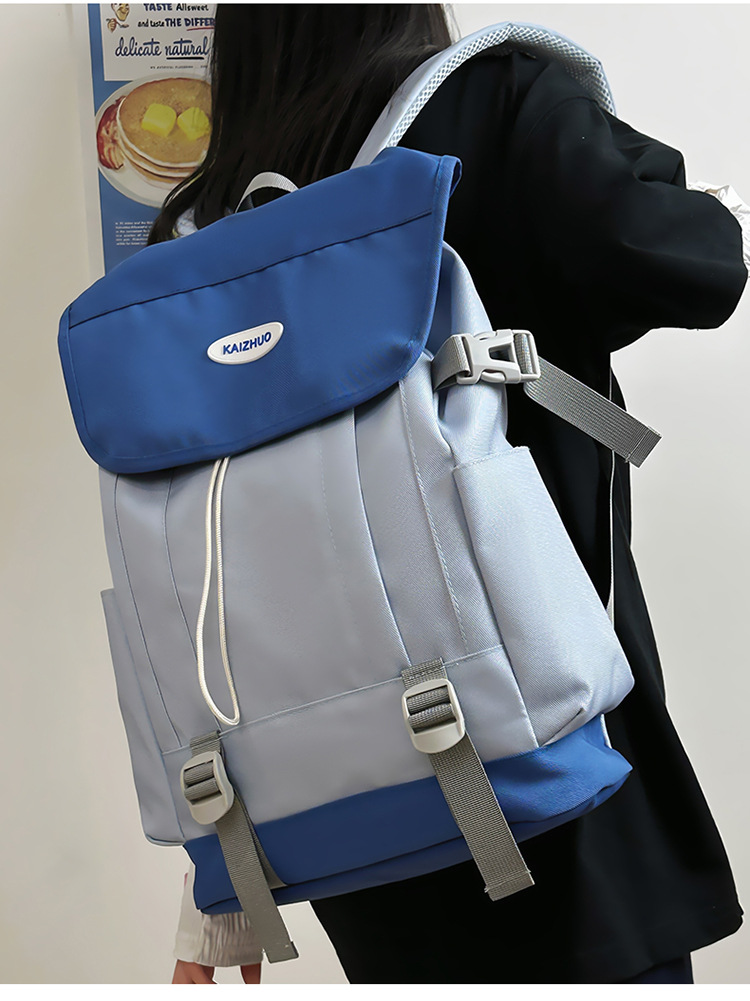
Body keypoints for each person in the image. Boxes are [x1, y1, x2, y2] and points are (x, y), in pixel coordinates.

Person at [150, 4, 749, 985]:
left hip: (352, 809)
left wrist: (216, 891)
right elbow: (692, 263)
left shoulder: (221, 215)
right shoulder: (494, 103)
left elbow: (217, 573)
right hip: (550, 757)